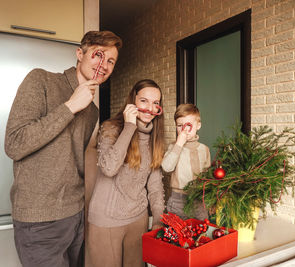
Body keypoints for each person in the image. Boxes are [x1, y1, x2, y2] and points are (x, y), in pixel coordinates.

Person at [4, 30, 122, 267]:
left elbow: (73, 160)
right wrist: (70, 106)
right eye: (98, 55)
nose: (104, 65)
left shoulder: (93, 111)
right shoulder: (41, 80)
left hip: (75, 215)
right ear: (80, 54)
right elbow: (15, 144)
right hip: (39, 220)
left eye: (111, 61)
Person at [87, 79, 165, 267]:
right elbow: (109, 168)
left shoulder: (155, 137)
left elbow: (155, 185)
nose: (150, 108)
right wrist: (129, 126)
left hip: (138, 218)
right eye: (144, 101)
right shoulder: (111, 128)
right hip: (107, 219)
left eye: (156, 103)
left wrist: (158, 219)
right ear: (133, 102)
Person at [161, 103, 210, 220]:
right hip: (178, 200)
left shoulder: (204, 149)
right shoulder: (174, 147)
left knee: (201, 231)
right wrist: (179, 144)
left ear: (198, 125)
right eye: (179, 125)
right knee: (177, 234)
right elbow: (166, 167)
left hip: (199, 200)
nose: (184, 129)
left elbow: (208, 176)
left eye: (188, 125)